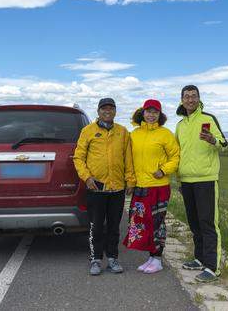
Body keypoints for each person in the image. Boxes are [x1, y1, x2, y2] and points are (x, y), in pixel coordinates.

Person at [73, 97, 136, 276]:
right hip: (96, 188)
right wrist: (87, 177)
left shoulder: (123, 132)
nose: (107, 112)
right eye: (104, 109)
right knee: (96, 226)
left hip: (117, 188)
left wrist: (130, 181)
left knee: (114, 226)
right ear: (98, 111)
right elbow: (78, 157)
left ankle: (113, 258)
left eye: (111, 108)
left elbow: (128, 159)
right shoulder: (88, 131)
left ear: (115, 111)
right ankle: (95, 259)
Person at [175, 85, 228, 283]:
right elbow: (178, 153)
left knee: (208, 223)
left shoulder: (208, 118)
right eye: (186, 96)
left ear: (199, 98)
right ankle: (199, 259)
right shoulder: (180, 125)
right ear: (181, 100)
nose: (190, 99)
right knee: (194, 222)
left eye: (193, 96)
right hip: (187, 181)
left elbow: (223, 143)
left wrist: (212, 139)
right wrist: (179, 179)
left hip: (206, 179)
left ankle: (213, 268)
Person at [123, 99, 180, 274]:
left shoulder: (165, 134)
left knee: (156, 223)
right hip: (140, 187)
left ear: (160, 115)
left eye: (155, 112)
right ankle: (150, 257)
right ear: (142, 112)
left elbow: (175, 157)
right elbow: (129, 161)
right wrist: (131, 183)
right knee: (140, 222)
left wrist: (163, 170)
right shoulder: (134, 134)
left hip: (158, 186)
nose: (151, 115)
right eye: (148, 111)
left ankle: (157, 258)